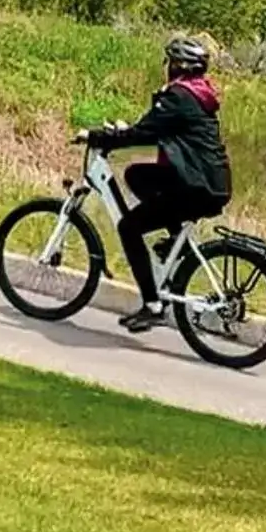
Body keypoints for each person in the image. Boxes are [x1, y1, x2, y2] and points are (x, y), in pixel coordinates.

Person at [86, 36, 232, 333]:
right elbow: (153, 130)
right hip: (205, 182)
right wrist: (127, 133)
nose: (165, 67)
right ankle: (175, 240)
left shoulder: (179, 96)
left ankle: (153, 305)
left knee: (129, 227)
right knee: (138, 175)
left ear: (178, 65)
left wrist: (99, 137)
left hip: (196, 187)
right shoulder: (196, 94)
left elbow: (147, 132)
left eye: (168, 61)